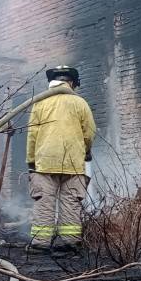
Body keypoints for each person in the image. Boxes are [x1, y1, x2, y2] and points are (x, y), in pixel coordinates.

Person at [26, 65, 96, 249]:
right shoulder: (80, 103)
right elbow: (89, 132)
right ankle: (69, 243)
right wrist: (86, 151)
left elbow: (32, 134)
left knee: (44, 202)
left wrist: (31, 160)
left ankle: (40, 244)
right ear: (71, 82)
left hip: (45, 161)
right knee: (70, 202)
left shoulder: (40, 103)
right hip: (73, 162)